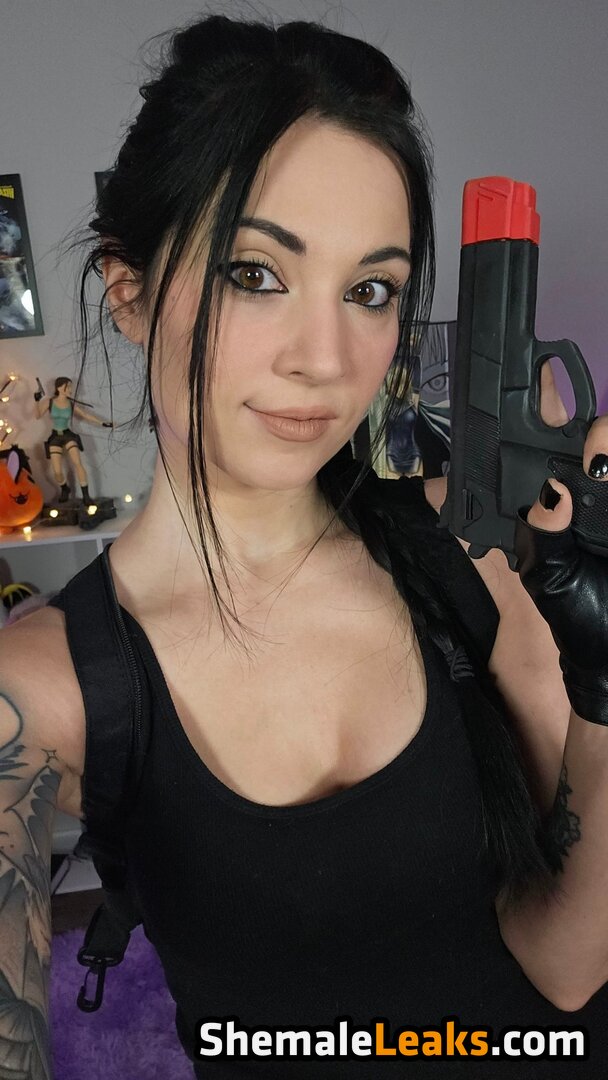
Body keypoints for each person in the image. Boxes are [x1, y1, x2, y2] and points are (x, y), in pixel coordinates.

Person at [1, 14, 608, 1079]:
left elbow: (566, 964)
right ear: (129, 292)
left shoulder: (475, 549)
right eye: (254, 272)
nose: (326, 359)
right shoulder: (42, 691)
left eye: (370, 291)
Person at [34, 375, 113, 504]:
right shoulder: (50, 402)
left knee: (78, 464)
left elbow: (85, 415)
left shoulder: (71, 404)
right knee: (57, 471)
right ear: (59, 388)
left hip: (68, 435)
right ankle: (65, 488)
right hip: (55, 436)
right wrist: (37, 401)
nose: (71, 389)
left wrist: (103, 423)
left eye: (71, 386)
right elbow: (37, 416)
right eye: (68, 386)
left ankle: (86, 495)